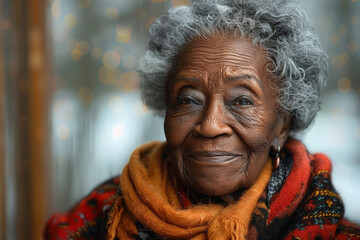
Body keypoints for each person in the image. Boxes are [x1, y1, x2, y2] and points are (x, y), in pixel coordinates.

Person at [44, 0, 360, 239]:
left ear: (282, 124)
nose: (210, 125)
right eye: (188, 100)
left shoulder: (325, 225)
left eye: (242, 100)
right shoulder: (100, 214)